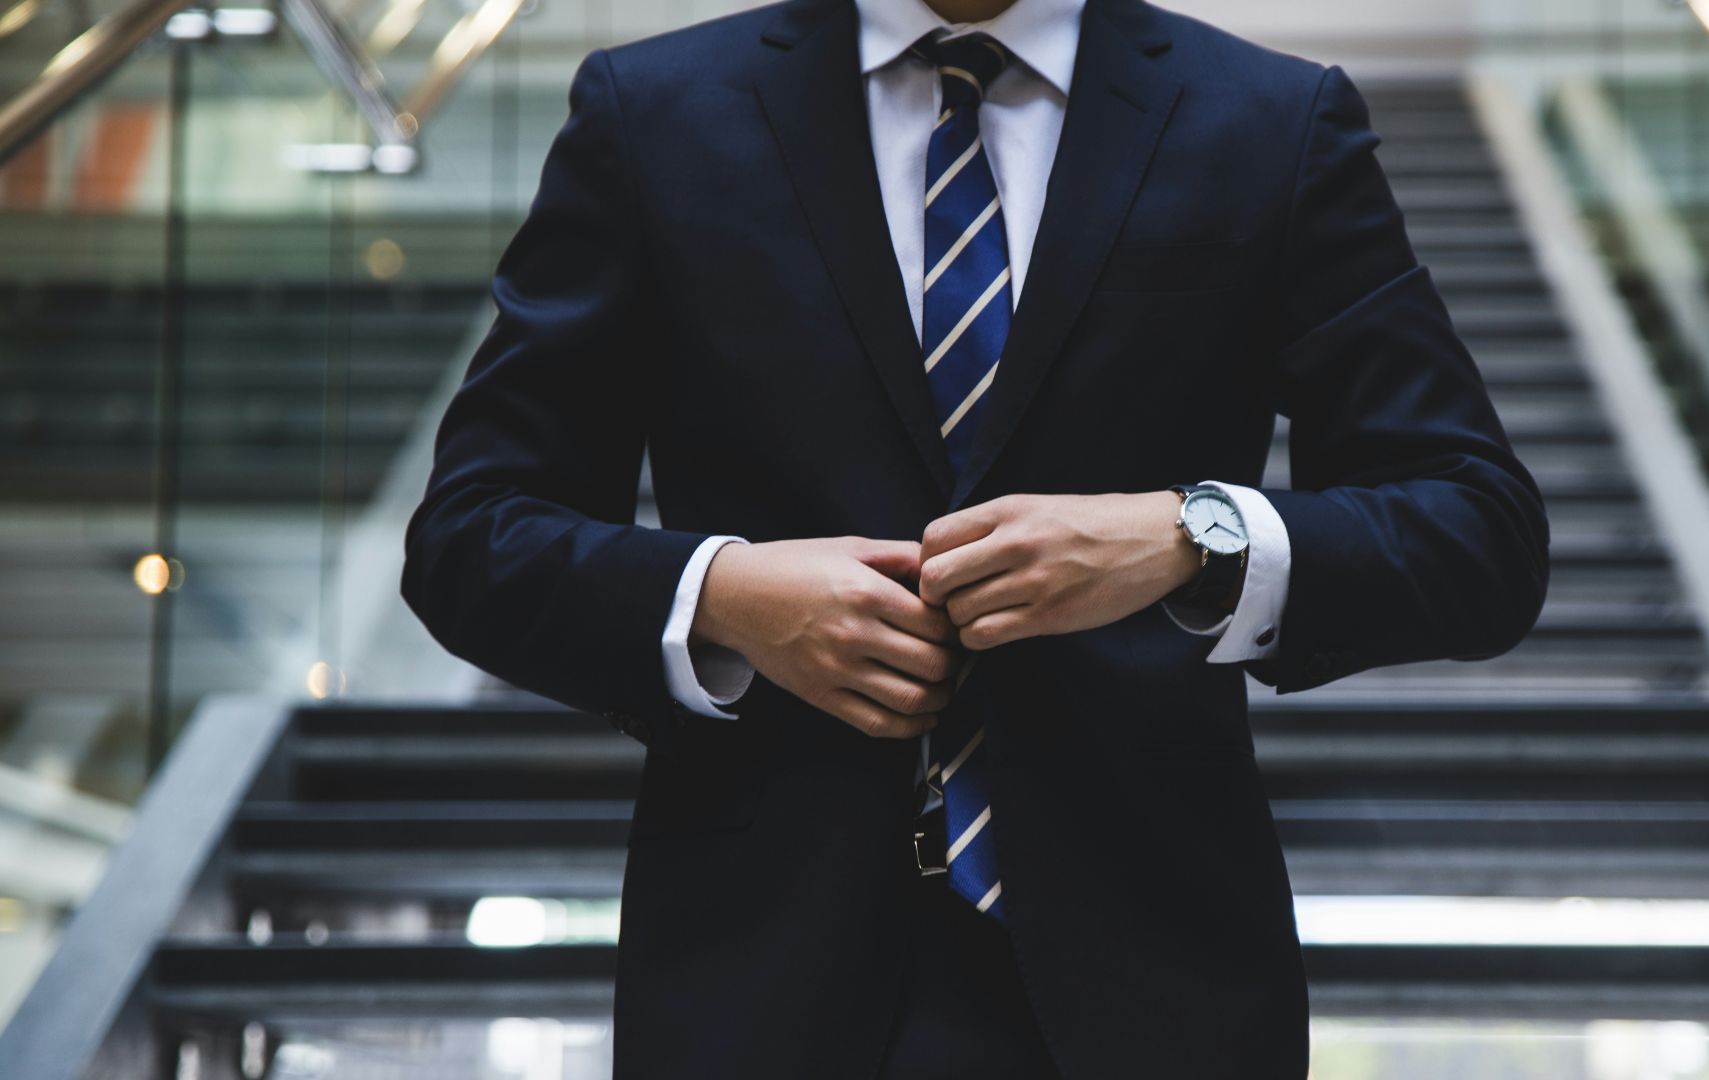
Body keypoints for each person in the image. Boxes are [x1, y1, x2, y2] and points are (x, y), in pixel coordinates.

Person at [399, 0, 1551, 1074]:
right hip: (755, 978)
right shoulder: (653, 111)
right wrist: (722, 595)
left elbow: (1477, 530)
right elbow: (469, 535)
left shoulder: (1270, 121)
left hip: (1157, 985)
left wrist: (1195, 536)